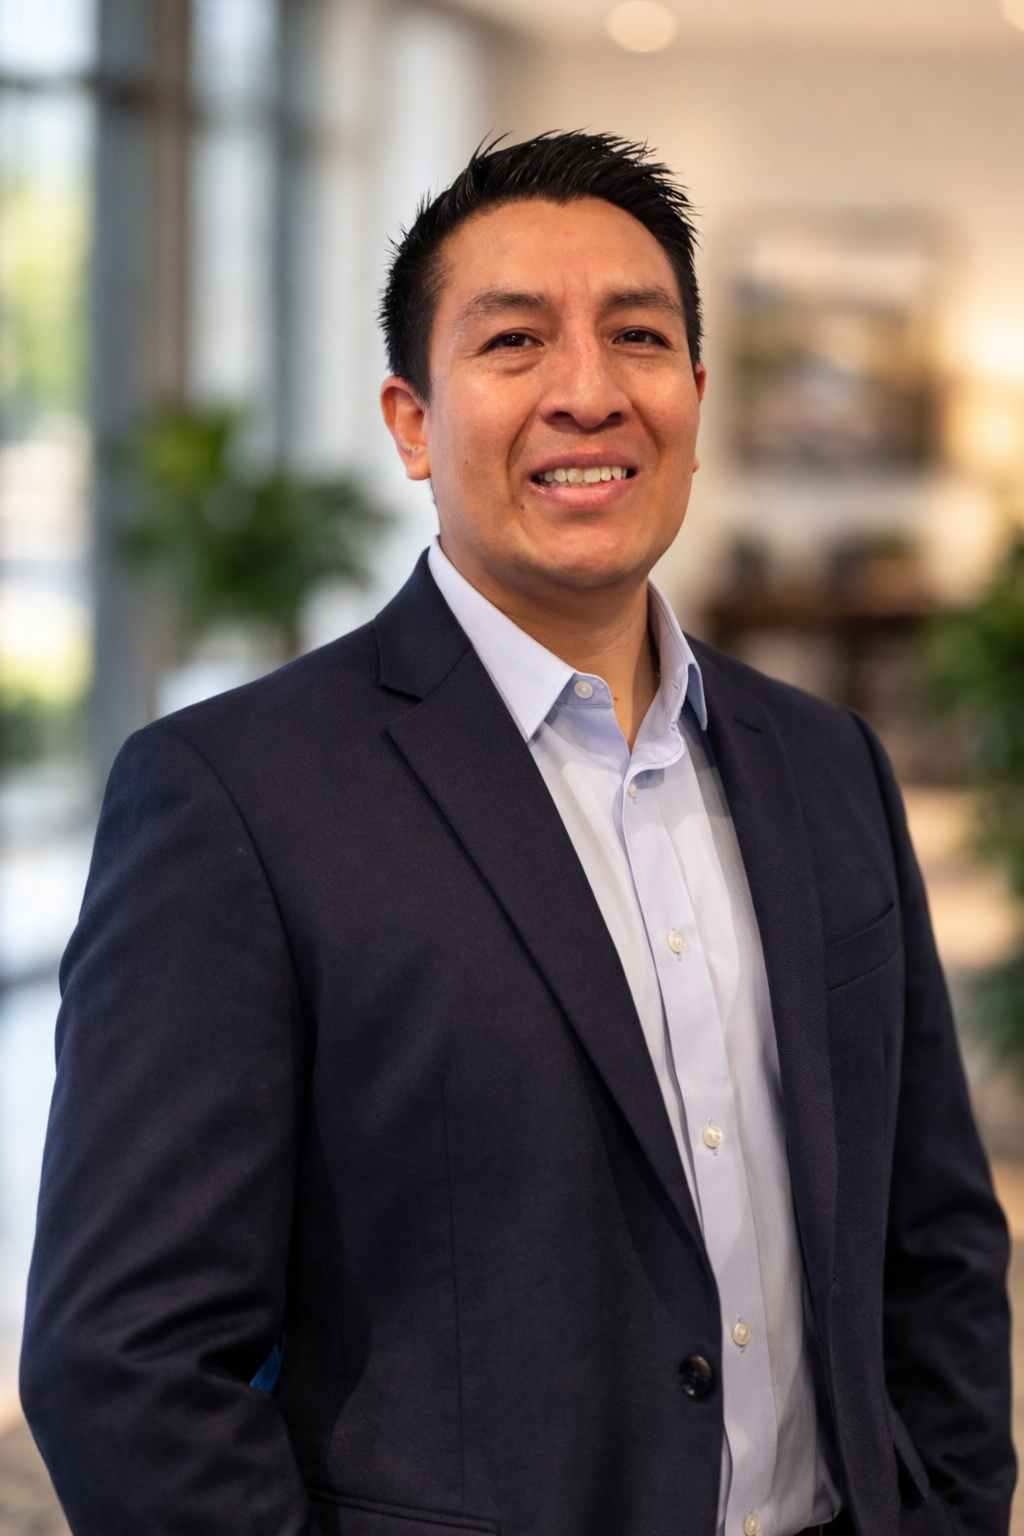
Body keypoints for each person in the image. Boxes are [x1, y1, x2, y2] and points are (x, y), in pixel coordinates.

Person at [20, 132, 1014, 1536]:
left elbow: (936, 1238)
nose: (588, 392)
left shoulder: (827, 763)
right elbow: (125, 1363)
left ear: (697, 396)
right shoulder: (233, 797)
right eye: (513, 342)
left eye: (638, 336)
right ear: (412, 422)